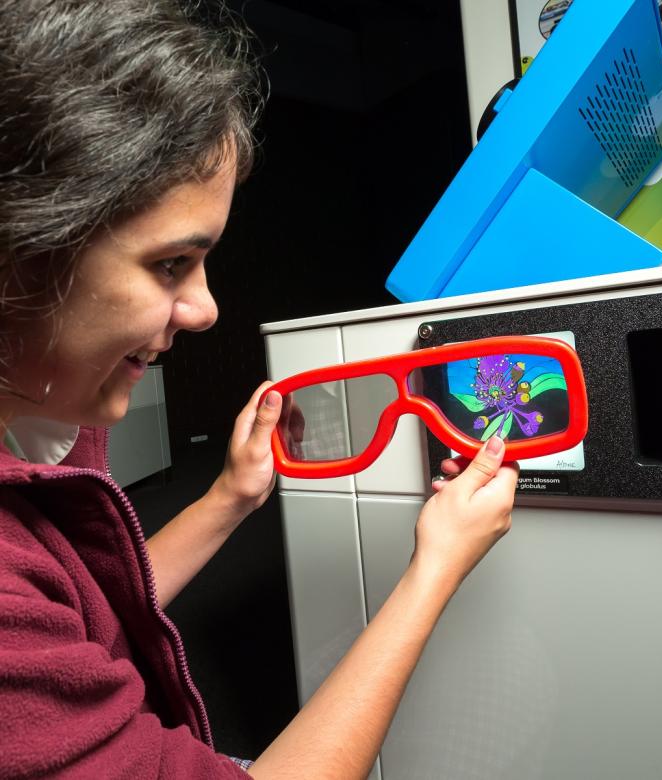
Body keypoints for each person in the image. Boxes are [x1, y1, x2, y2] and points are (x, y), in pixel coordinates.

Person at [0, 1, 519, 777]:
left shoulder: (50, 407)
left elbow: (89, 614)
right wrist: (435, 568)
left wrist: (230, 496)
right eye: (171, 264)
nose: (207, 310)